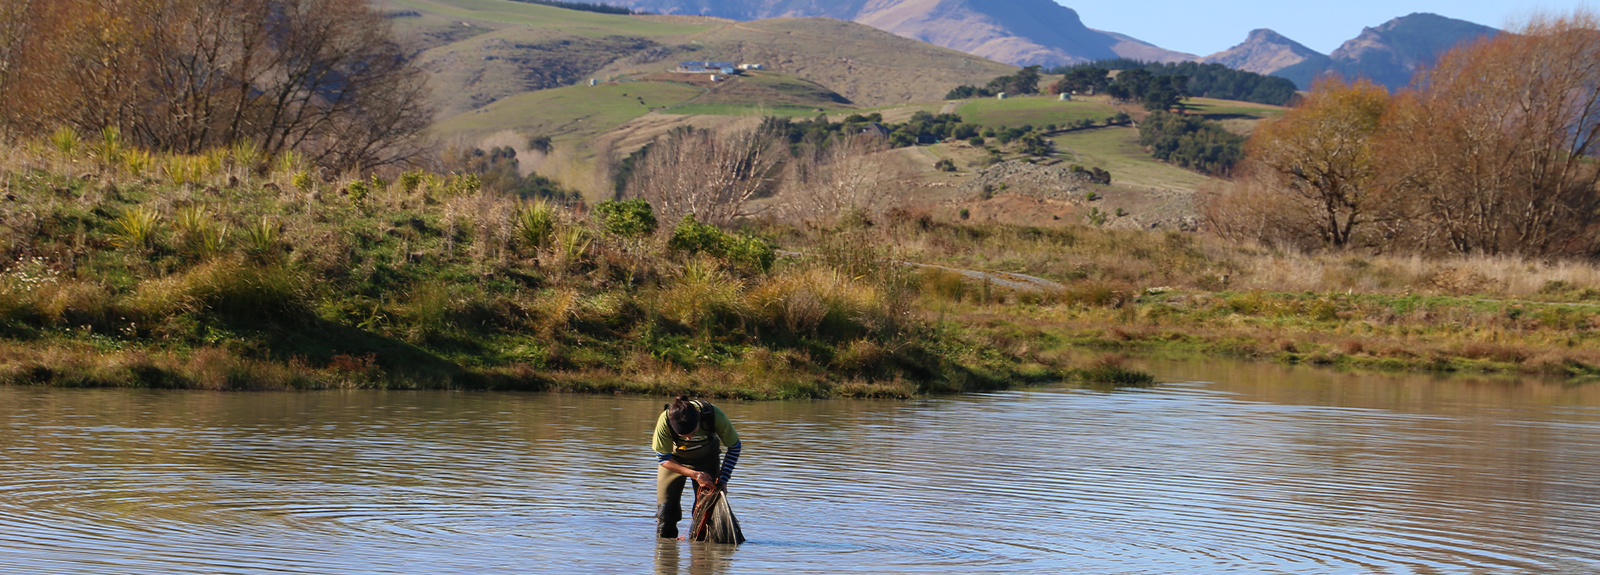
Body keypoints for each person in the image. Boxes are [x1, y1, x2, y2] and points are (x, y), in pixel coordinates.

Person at [653, 395, 742, 539]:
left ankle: (699, 555)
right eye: (683, 435)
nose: (689, 439)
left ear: (698, 420)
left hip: (707, 461)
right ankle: (666, 555)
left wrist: (723, 480)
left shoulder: (713, 415)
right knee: (666, 513)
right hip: (673, 463)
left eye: (693, 433)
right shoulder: (665, 420)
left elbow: (734, 447)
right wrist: (695, 474)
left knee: (706, 513)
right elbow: (663, 458)